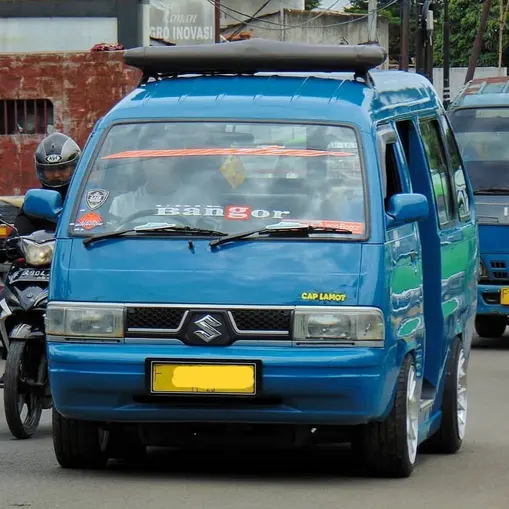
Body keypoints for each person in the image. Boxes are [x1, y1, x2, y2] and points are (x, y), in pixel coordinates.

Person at [0, 132, 81, 387]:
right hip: (36, 268)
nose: (56, 176)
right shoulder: (35, 201)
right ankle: (12, 356)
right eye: (50, 171)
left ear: (76, 167)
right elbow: (20, 230)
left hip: (72, 268)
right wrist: (11, 245)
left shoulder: (87, 199)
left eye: (62, 169)